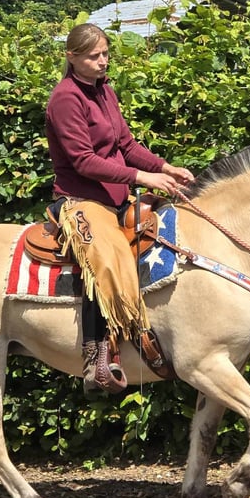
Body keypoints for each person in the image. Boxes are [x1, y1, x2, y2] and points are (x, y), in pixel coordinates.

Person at [45, 23, 194, 395]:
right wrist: (143, 178)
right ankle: (97, 361)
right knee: (106, 260)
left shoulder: (105, 91)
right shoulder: (65, 98)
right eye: (94, 56)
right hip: (81, 199)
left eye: (105, 54)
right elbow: (84, 161)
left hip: (115, 198)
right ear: (71, 57)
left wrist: (164, 167)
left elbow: (125, 144)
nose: (102, 61)